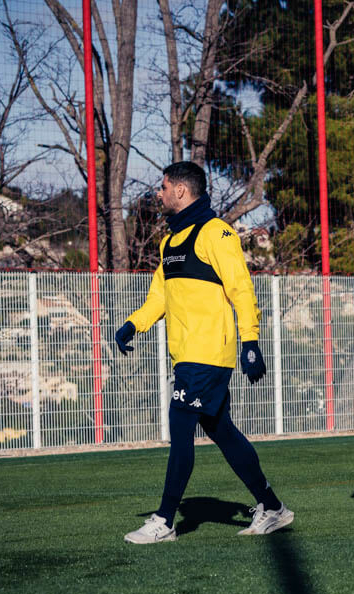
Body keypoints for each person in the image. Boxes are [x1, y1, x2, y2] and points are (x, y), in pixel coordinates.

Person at [114, 161, 292, 543]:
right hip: (186, 356)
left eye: (163, 187)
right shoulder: (169, 242)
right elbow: (159, 297)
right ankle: (273, 507)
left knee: (180, 424)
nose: (159, 193)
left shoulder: (217, 233)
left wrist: (250, 342)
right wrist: (133, 324)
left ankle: (165, 521)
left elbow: (241, 288)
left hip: (209, 353)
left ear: (180, 190)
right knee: (221, 430)